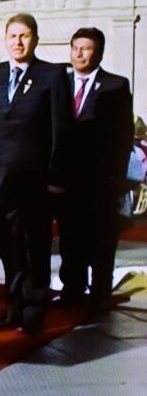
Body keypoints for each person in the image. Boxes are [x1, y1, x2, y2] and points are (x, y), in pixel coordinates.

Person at [0, 13, 73, 334]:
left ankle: (34, 309)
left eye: (24, 36)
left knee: (35, 247)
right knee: (8, 248)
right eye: (12, 36)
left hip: (35, 180)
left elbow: (61, 129)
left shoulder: (52, 75)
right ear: (4, 40)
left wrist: (56, 178)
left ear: (35, 39)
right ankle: (13, 307)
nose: (18, 42)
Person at [54, 28, 133, 312]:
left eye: (86, 48)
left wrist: (116, 177)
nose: (79, 54)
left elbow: (123, 135)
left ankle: (100, 292)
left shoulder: (115, 85)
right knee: (70, 238)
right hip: (66, 181)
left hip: (100, 181)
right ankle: (71, 289)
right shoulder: (60, 84)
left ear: (98, 53)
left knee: (101, 239)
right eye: (75, 47)